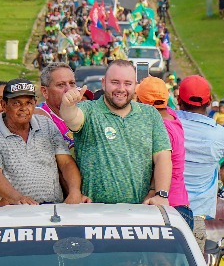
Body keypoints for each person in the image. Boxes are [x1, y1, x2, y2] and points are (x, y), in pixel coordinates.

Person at [58, 60, 172, 206]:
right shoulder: (88, 110)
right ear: (104, 83)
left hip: (140, 212)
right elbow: (72, 118)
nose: (121, 88)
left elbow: (162, 156)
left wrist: (160, 194)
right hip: (94, 211)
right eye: (115, 82)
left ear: (136, 85)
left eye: (127, 83)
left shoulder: (150, 114)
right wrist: (67, 105)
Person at [0, 78, 86, 205]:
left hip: (53, 207)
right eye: (16, 103)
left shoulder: (46, 124)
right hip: (16, 211)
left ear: (35, 103)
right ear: (4, 105)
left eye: (28, 103)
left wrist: (74, 192)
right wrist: (18, 198)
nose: (24, 108)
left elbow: (66, 163)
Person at [176, 75, 224, 235]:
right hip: (197, 215)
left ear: (178, 99)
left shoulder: (167, 125)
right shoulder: (220, 135)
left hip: (165, 211)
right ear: (210, 102)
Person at [137, 75, 191, 225]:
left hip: (166, 206)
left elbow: (158, 163)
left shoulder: (162, 129)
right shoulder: (172, 116)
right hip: (180, 203)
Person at [35, 64, 76, 146]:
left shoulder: (82, 111)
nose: (68, 89)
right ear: (45, 92)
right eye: (61, 85)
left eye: (72, 83)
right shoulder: (38, 117)